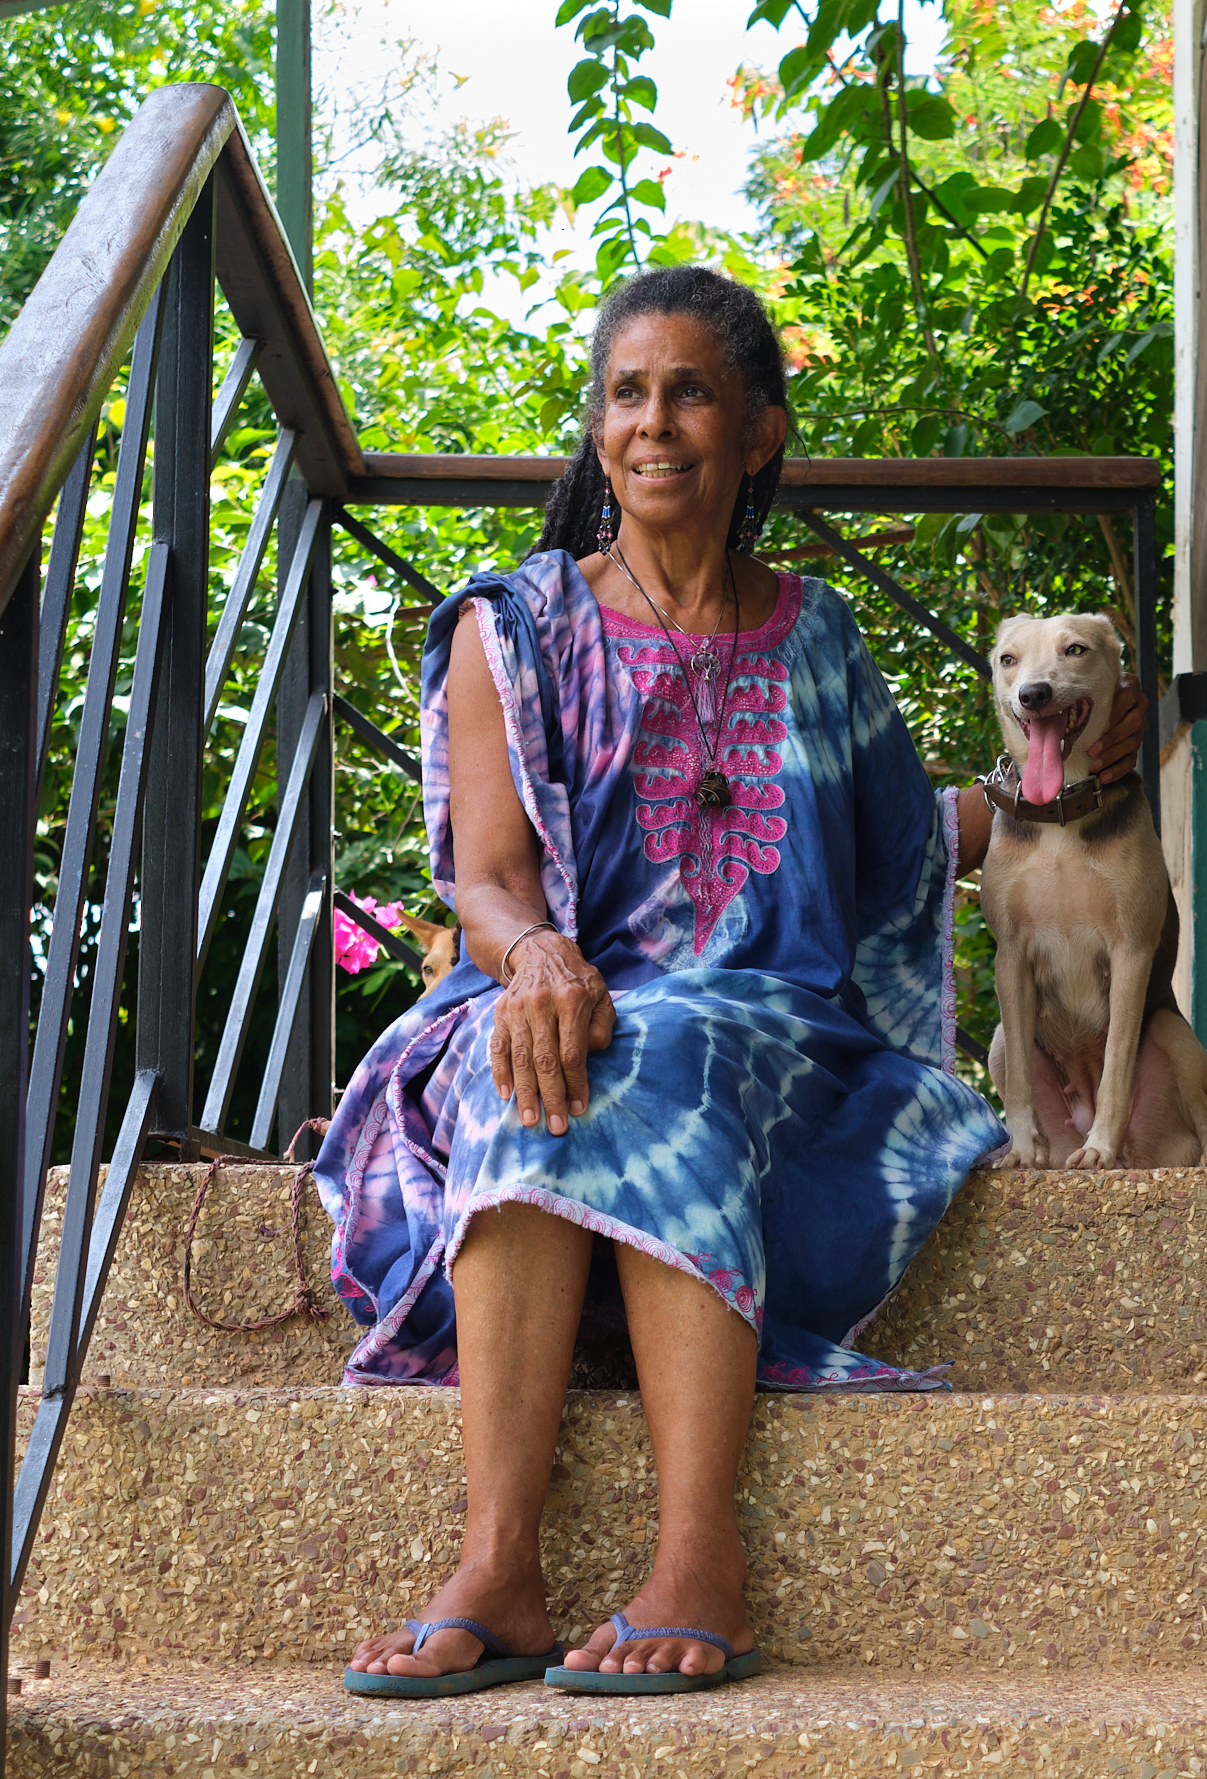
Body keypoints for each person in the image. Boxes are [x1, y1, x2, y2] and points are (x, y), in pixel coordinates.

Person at [319, 266, 1143, 1695]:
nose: (654, 424)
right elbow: (493, 879)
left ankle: (701, 1556)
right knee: (551, 1042)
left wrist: (1049, 797)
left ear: (758, 431)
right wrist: (536, 958)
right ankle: (498, 1562)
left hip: (770, 1028)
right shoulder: (510, 633)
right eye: (626, 394)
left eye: (690, 391)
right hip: (548, 983)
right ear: (595, 428)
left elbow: (899, 845)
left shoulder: (821, 640)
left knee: (673, 1039)